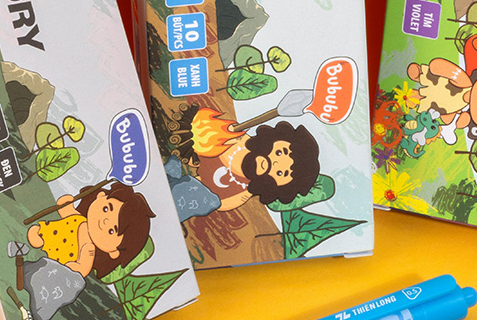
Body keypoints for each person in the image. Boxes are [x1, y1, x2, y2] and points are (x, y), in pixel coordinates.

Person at [175, 106, 321, 209]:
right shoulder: (236, 139)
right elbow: (195, 136)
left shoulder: (239, 193)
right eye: (279, 152)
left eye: (281, 173)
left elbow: (213, 203)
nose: (275, 163)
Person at [26, 181, 154, 280]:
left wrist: (76, 268)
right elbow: (67, 213)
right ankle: (40, 238)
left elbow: (82, 267)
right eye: (106, 209)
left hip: (60, 257)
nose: (105, 221)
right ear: (100, 196)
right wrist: (65, 206)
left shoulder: (89, 249)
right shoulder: (80, 219)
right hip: (52, 234)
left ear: (114, 252)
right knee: (38, 233)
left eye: (111, 231)